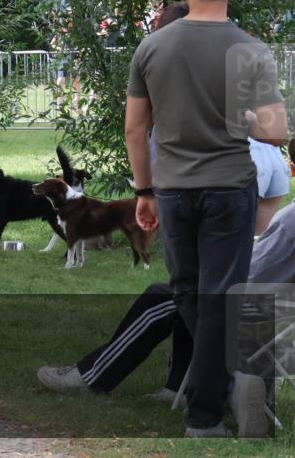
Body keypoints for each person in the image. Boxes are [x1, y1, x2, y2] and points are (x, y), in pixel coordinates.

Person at [125, 0, 287, 437]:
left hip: (173, 189)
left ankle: (211, 402)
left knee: (188, 290)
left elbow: (135, 129)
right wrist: (240, 117)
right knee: (220, 295)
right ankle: (223, 395)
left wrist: (144, 191)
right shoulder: (251, 50)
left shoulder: (153, 47)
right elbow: (276, 131)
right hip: (231, 187)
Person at [38, 141, 295, 439]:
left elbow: (251, 270)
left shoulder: (291, 219)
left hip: (258, 307)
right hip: (278, 310)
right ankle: (179, 387)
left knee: (165, 298)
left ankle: (91, 375)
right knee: (185, 295)